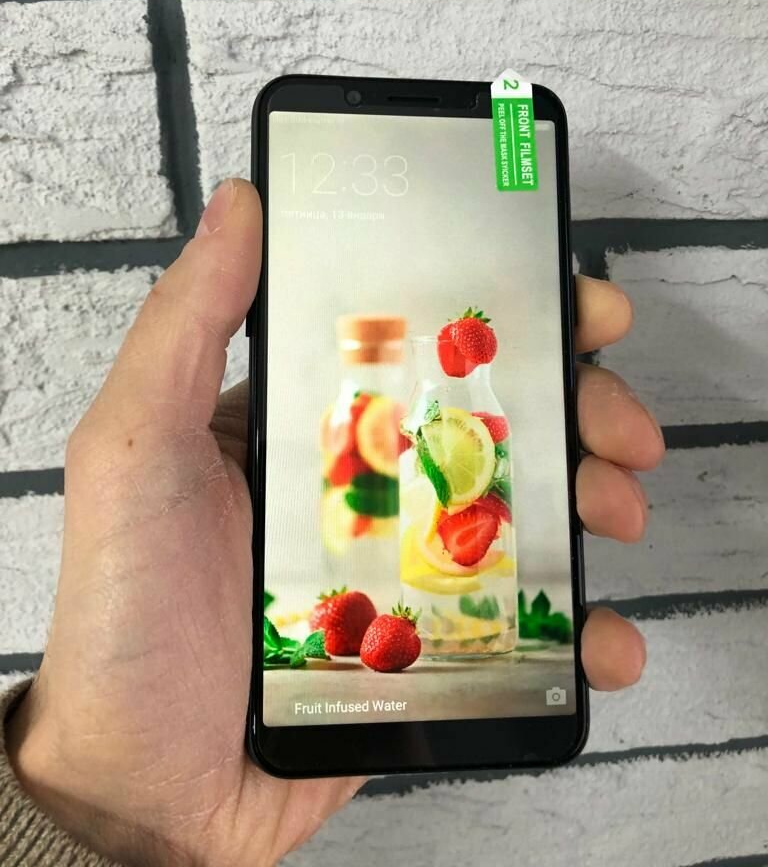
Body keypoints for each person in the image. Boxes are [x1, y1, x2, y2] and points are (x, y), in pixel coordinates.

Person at [0, 178, 664, 866]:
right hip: (388, 596)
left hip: (430, 603)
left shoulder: (457, 418)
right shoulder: (389, 420)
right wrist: (97, 800)